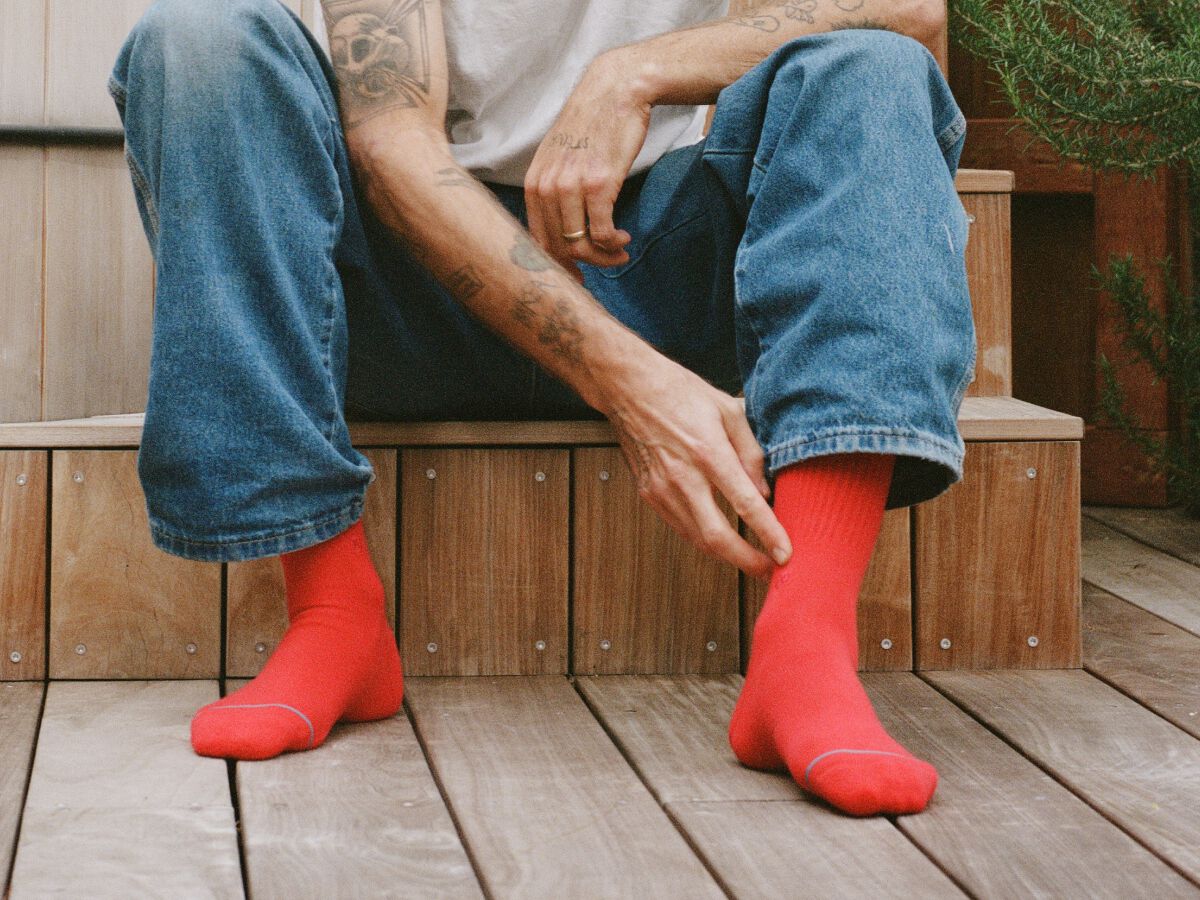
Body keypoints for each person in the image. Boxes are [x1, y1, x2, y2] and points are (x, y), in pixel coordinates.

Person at [109, 0, 972, 817]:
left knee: (873, 66)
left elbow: (913, 12)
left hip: (665, 267)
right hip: (418, 283)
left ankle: (807, 645)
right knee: (202, 36)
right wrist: (628, 384)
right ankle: (334, 617)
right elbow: (389, 141)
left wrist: (632, 73)